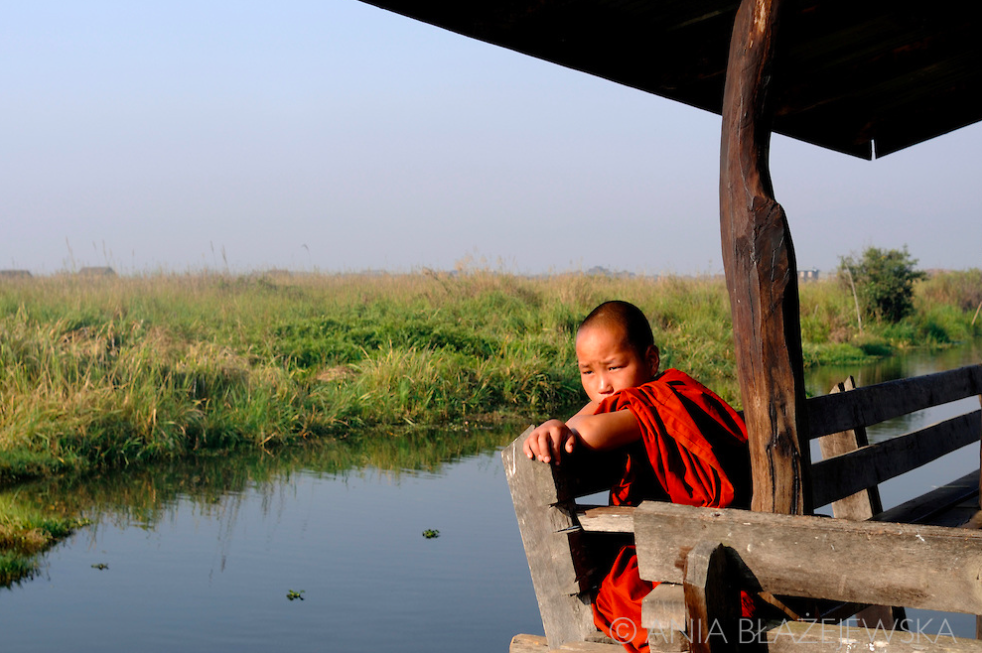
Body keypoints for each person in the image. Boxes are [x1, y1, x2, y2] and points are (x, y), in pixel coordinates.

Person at [523, 300, 752, 653]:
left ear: (651, 360)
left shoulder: (661, 399)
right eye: (587, 372)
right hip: (712, 544)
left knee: (624, 593)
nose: (602, 386)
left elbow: (592, 433)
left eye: (614, 367)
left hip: (708, 554)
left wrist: (565, 424)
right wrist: (560, 426)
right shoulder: (649, 399)